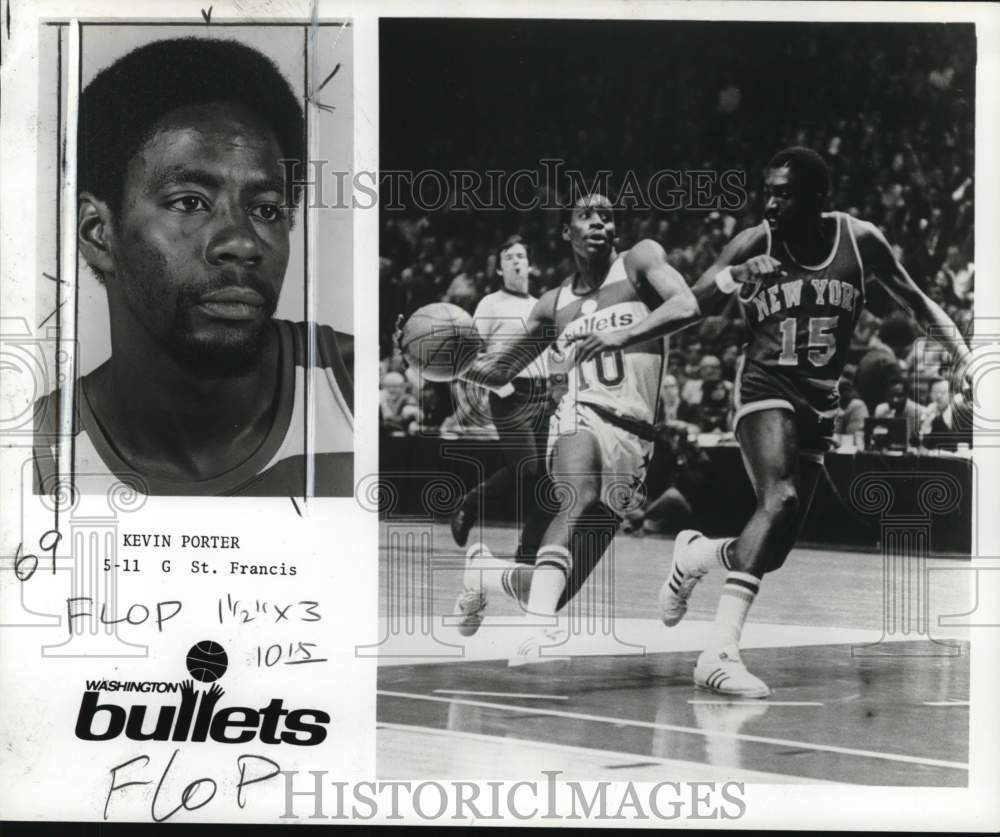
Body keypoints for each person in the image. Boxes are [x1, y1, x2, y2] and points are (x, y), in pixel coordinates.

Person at [661, 146, 971, 697]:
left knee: (773, 548)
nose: (771, 202)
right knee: (777, 500)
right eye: (768, 190)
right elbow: (696, 301)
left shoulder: (860, 239)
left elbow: (918, 302)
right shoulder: (756, 240)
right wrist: (736, 275)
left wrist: (965, 356)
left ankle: (696, 555)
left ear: (817, 198)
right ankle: (718, 653)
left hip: (820, 401)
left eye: (784, 192)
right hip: (764, 386)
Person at [32, 38, 354, 497]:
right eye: (190, 202)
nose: (242, 242)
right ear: (97, 234)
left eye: (266, 210)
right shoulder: (28, 459)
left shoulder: (353, 390)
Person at [449, 193, 699, 665]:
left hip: (635, 438)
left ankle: (482, 573)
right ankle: (535, 636)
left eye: (607, 216)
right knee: (575, 496)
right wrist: (443, 360)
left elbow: (688, 305)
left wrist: (621, 334)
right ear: (568, 232)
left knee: (553, 589)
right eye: (586, 216)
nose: (599, 222)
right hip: (578, 414)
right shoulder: (552, 304)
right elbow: (501, 371)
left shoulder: (640, 262)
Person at [450, 236, 552, 564]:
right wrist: (500, 387)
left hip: (545, 393)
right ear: (499, 268)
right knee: (526, 467)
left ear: (531, 264)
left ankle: (529, 550)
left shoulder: (541, 305)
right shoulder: (490, 304)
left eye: (521, 256)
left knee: (549, 475)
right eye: (509, 257)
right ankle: (471, 503)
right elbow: (468, 355)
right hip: (509, 394)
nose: (517, 261)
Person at [874, 379, 922, 447]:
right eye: (891, 395)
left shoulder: (918, 412)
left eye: (899, 396)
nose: (895, 400)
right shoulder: (880, 410)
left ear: (907, 395)